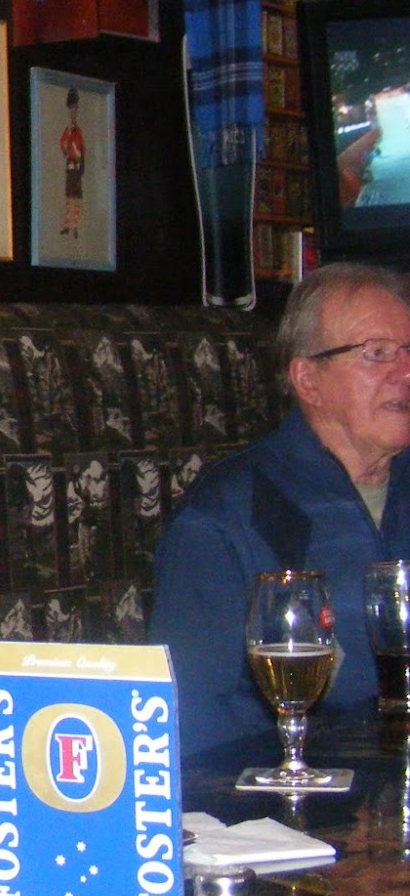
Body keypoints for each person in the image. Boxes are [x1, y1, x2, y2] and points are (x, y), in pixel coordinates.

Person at [150, 262, 410, 757]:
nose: (406, 372)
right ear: (308, 380)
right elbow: (194, 722)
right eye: (377, 353)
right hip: (304, 788)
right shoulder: (228, 516)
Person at [58, 87, 86, 237]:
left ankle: (75, 227)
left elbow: (82, 149)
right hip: (70, 165)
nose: (73, 113)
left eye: (75, 110)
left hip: (77, 165)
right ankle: (68, 225)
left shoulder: (78, 132)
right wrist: (66, 146)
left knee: (76, 197)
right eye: (71, 110)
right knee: (69, 197)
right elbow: (63, 145)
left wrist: (81, 162)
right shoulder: (68, 130)